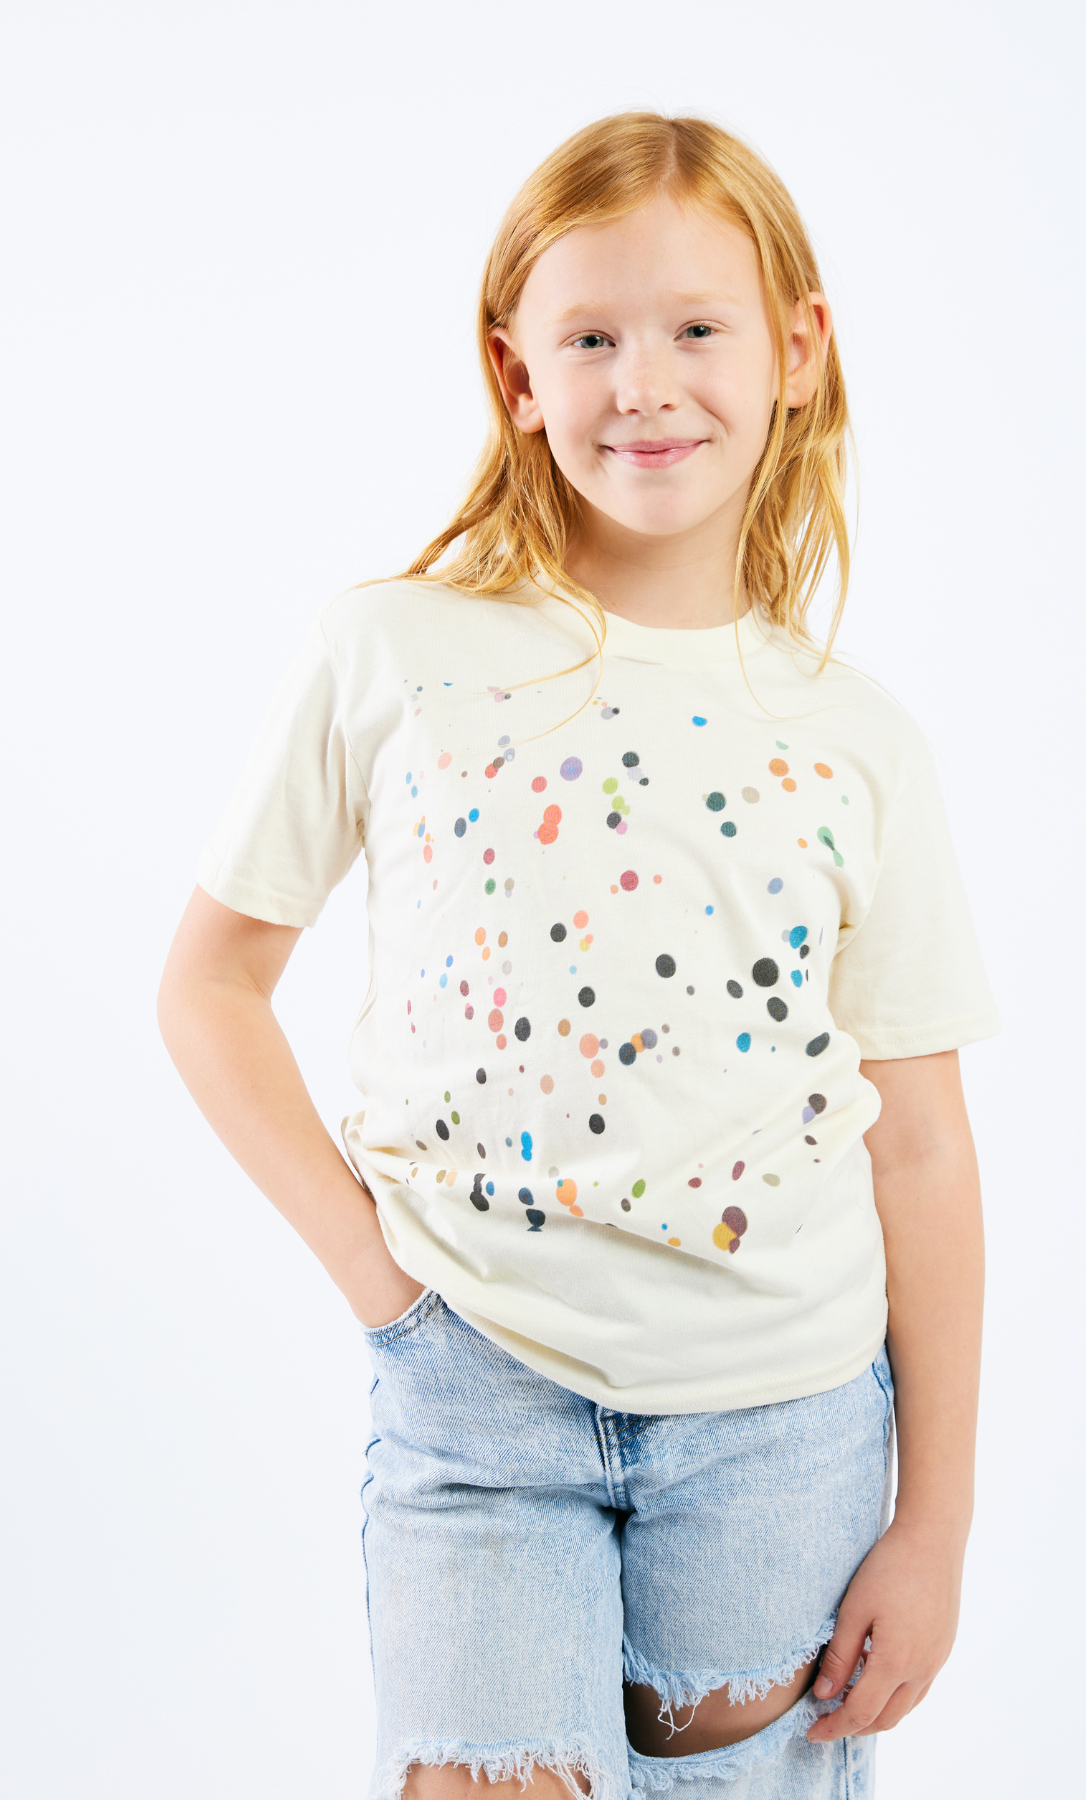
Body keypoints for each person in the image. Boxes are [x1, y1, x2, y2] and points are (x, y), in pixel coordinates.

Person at [158, 112, 1000, 1800]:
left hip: (785, 1430)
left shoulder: (858, 740)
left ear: (798, 354)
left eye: (699, 327)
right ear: (517, 374)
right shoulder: (395, 651)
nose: (647, 381)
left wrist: (937, 1524)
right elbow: (209, 986)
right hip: (475, 1407)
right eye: (592, 336)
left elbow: (918, 1138)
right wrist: (387, 1294)